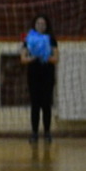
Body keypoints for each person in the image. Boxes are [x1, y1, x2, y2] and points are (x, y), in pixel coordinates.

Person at [21, 14, 58, 142]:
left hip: (47, 74)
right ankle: (34, 133)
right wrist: (33, 57)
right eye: (38, 23)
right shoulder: (28, 39)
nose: (40, 26)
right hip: (33, 75)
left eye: (43, 24)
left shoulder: (51, 39)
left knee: (46, 104)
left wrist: (45, 56)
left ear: (47, 25)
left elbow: (56, 58)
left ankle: (47, 133)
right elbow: (23, 59)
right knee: (35, 105)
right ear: (34, 25)